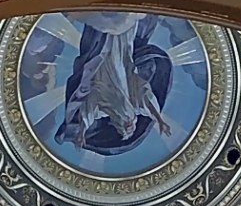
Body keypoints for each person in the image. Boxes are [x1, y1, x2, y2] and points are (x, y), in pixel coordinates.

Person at [52, 12, 173, 158]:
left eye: (126, 130)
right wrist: (159, 120)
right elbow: (146, 100)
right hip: (122, 56)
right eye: (132, 129)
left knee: (102, 31)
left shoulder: (104, 109)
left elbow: (87, 113)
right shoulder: (133, 104)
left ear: (118, 127)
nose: (130, 127)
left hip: (99, 63)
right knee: (124, 26)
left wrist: (82, 133)